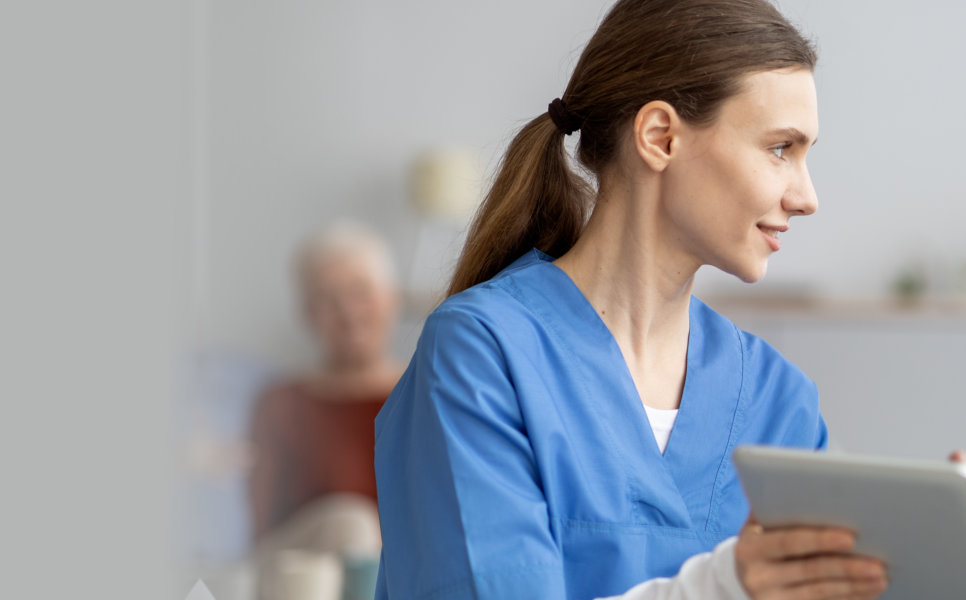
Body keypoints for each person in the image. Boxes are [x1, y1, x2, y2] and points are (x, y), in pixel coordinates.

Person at [372, 1, 886, 599]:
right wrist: (723, 588)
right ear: (659, 137)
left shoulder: (778, 400)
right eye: (781, 149)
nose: (807, 196)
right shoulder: (483, 357)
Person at [249, 221, 397, 562]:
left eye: (360, 292)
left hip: (407, 571)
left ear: (391, 298)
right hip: (300, 571)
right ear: (305, 313)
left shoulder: (429, 393)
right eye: (328, 299)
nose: (348, 314)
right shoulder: (280, 404)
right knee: (351, 526)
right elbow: (261, 529)